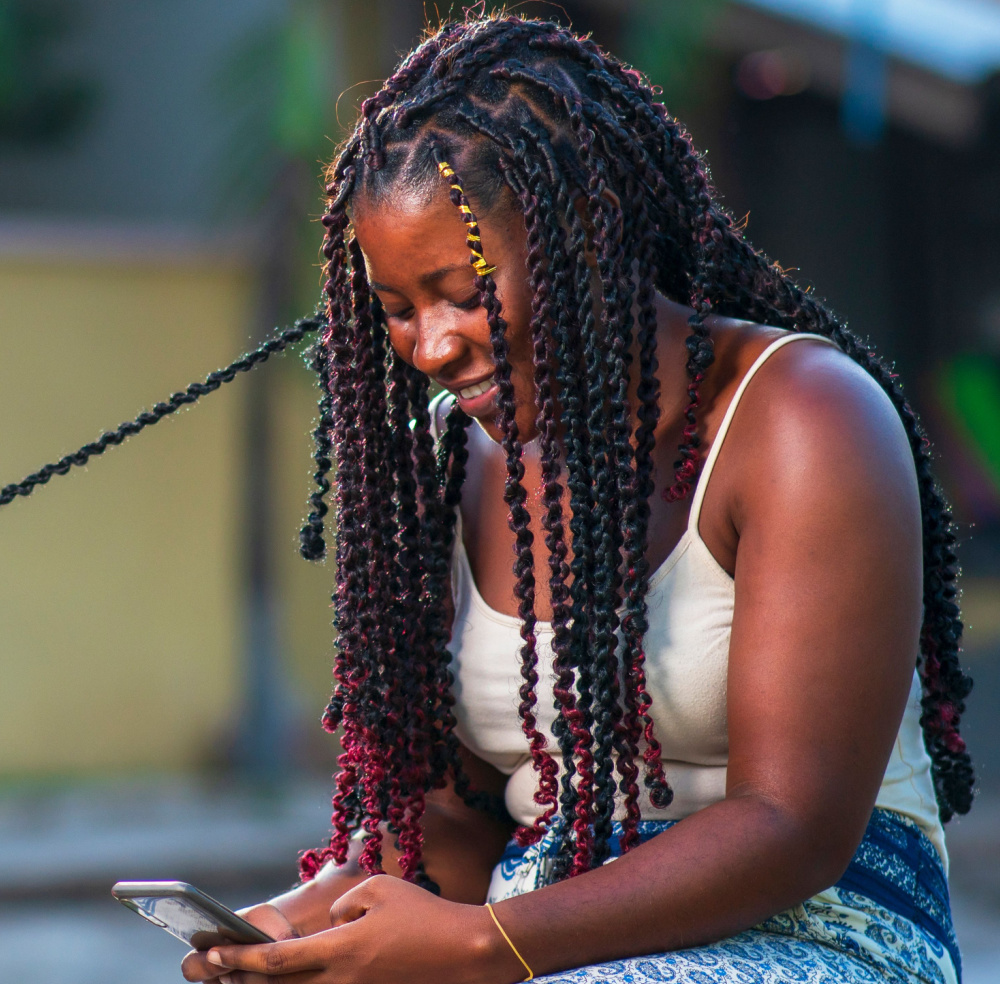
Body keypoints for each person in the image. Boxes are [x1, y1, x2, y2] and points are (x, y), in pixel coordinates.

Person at [1, 12, 972, 984]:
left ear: (587, 235)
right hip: (538, 923)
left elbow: (791, 824)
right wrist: (303, 926)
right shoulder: (449, 459)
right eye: (395, 309)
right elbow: (459, 821)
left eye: (460, 291)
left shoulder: (804, 418)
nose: (429, 345)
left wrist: (479, 946)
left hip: (825, 925)